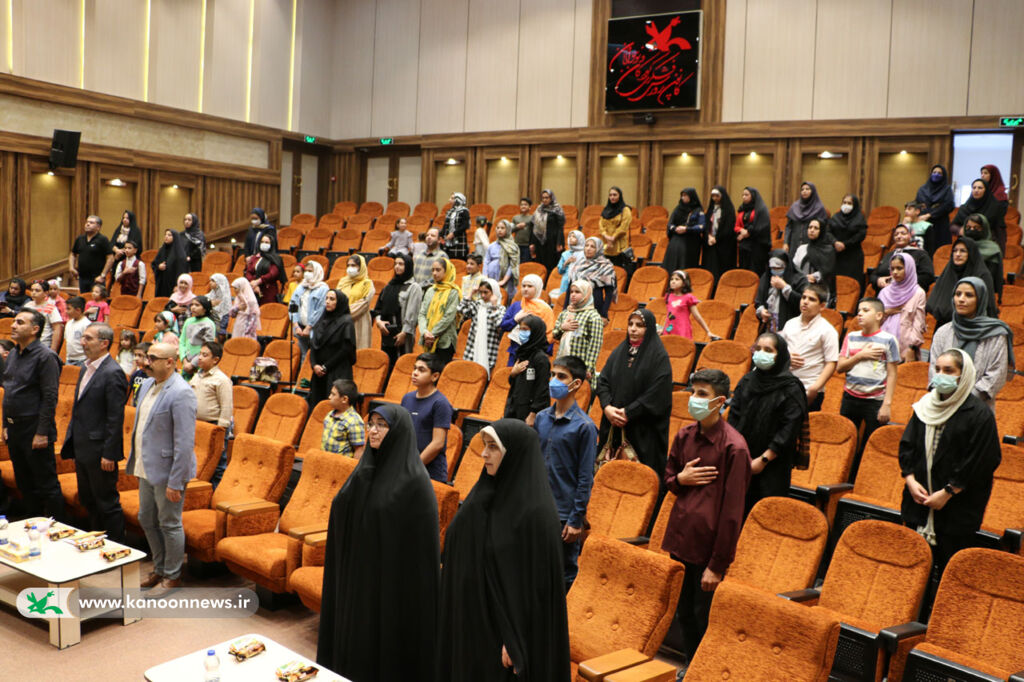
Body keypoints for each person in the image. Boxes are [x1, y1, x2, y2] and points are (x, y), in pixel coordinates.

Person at [437, 419, 570, 681]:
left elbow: (538, 589)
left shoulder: (537, 515)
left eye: (493, 447)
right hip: (468, 621)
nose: (484, 454)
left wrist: (516, 639)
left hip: (501, 638)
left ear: (515, 453)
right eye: (484, 446)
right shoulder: (482, 494)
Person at [317, 404, 440, 682]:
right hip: (359, 577)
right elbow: (341, 507)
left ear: (398, 432)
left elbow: (419, 553)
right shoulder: (364, 470)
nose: (373, 430)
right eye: (371, 423)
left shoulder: (415, 483)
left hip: (392, 588)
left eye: (382, 425)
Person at [663, 368, 751, 662]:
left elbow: (732, 512)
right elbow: (668, 479)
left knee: (704, 619)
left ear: (721, 401)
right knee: (684, 613)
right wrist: (681, 480)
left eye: (702, 394)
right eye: (693, 392)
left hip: (708, 549)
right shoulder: (684, 435)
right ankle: (691, 666)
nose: (694, 399)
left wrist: (717, 565)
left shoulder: (734, 448)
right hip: (681, 539)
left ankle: (704, 670)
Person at [899, 349, 1000, 580]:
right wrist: (910, 480)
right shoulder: (924, 406)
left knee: (949, 575)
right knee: (911, 572)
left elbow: (982, 461)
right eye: (937, 369)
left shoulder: (979, 414)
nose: (940, 375)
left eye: (948, 371)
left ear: (963, 375)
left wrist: (948, 492)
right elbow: (908, 445)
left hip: (957, 508)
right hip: (919, 501)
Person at [127, 342, 197, 589]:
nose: (147, 362)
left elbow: (185, 443)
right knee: (146, 518)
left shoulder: (182, 392)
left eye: (153, 358)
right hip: (146, 466)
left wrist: (176, 481)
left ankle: (173, 574)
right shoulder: (146, 384)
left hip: (169, 473)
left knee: (169, 522)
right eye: (147, 357)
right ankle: (159, 568)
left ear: (170, 361)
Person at [534, 355, 597, 590]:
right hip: (538, 506)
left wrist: (576, 518)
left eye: (561, 376)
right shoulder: (541, 418)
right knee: (535, 569)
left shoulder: (585, 426)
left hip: (564, 513)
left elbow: (585, 478)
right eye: (552, 375)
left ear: (576, 384)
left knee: (562, 574)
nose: (554, 381)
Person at [61, 322, 129, 542]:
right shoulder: (85, 367)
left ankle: (116, 548)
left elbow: (114, 417)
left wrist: (110, 454)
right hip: (83, 446)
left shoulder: (113, 373)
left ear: (104, 343)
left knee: (106, 502)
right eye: (83, 338)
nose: (83, 342)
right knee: (88, 499)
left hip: (100, 451)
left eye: (88, 338)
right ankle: (97, 541)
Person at [729, 332, 808, 511]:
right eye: (758, 349)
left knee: (764, 513)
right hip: (742, 458)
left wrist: (763, 459)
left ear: (779, 355)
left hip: (772, 464)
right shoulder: (747, 380)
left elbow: (789, 430)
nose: (761, 353)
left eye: (768, 350)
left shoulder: (791, 387)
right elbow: (734, 415)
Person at [2, 310, 65, 522]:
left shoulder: (45, 357)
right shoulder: (13, 354)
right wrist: (4, 424)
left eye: (20, 322)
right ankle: (33, 522)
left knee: (46, 484)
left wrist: (42, 432)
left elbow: (49, 398)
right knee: (24, 481)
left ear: (35, 329)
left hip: (34, 428)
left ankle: (59, 528)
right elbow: (9, 392)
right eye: (14, 322)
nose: (13, 325)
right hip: (15, 428)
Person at [596, 308, 673, 478]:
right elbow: (603, 381)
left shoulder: (659, 357)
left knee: (638, 480)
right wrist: (607, 407)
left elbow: (657, 393)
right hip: (612, 423)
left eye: (639, 325)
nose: (633, 328)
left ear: (650, 329)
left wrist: (628, 412)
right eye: (630, 324)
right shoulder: (619, 351)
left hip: (642, 430)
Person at [929, 277, 1014, 411]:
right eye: (958, 294)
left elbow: (995, 375)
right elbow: (935, 368)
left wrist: (963, 401)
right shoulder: (943, 332)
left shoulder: (996, 334)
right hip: (943, 406)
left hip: (976, 409)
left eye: (969, 295)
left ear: (980, 300)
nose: (961, 299)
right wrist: (946, 398)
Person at [838, 299, 900, 470]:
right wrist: (860, 355)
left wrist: (887, 404)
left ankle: (862, 477)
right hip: (850, 397)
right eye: (859, 310)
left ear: (879, 315)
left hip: (875, 400)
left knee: (870, 446)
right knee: (845, 443)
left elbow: (893, 372)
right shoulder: (851, 337)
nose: (860, 314)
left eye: (866, 310)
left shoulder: (888, 340)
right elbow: (840, 367)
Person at [780, 284, 838, 411]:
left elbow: (831, 363)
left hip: (808, 388)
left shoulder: (828, 330)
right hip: (784, 385)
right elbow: (780, 351)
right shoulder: (790, 324)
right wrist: (787, 357)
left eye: (811, 299)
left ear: (822, 306)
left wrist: (814, 388)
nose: (805, 302)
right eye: (803, 297)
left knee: (803, 429)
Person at [400, 353, 452, 482]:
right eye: (414, 368)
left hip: (430, 473)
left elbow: (438, 443)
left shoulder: (441, 403)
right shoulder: (407, 398)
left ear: (435, 376)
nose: (415, 373)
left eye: (421, 370)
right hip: (406, 466)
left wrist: (413, 466)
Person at [926, 236, 998, 328]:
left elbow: (988, 307)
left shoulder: (982, 275)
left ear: (971, 253)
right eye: (955, 251)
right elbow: (935, 304)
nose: (957, 254)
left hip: (973, 327)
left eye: (963, 251)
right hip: (944, 327)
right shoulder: (948, 272)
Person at [190, 341, 233, 487]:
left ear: (215, 360)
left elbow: (226, 407)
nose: (200, 358)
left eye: (205, 355)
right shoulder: (197, 376)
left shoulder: (222, 380)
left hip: (214, 426)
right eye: (200, 354)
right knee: (199, 460)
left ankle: (216, 492)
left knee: (218, 463)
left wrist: (221, 431)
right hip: (197, 425)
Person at [308, 290, 357, 407]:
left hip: (337, 372)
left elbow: (345, 350)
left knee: (333, 407)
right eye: (326, 298)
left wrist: (325, 367)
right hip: (318, 373)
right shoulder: (322, 318)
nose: (327, 302)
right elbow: (314, 345)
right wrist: (314, 365)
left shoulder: (346, 321)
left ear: (339, 302)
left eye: (332, 299)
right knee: (316, 406)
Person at [371, 253, 420, 370]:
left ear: (408, 266)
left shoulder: (414, 287)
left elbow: (412, 313)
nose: (397, 267)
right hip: (387, 332)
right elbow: (378, 308)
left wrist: (404, 333)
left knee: (402, 365)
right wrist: (379, 322)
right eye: (396, 264)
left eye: (401, 264)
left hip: (403, 333)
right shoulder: (389, 285)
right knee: (387, 364)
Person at [553, 280, 605, 385]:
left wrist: (588, 368)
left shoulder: (593, 317)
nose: (573, 295)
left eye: (577, 292)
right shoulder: (565, 313)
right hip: (562, 364)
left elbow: (595, 345)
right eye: (571, 292)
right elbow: (555, 334)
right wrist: (563, 327)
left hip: (580, 368)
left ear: (586, 294)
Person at [879, 253, 927, 362]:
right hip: (882, 345)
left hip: (905, 347)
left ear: (909, 268)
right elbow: (875, 320)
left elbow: (918, 324)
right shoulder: (884, 292)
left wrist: (911, 348)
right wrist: (888, 312)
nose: (895, 272)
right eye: (892, 269)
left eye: (899, 268)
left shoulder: (918, 293)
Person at [499, 273, 554, 367]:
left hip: (534, 354)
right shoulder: (516, 305)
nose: (525, 289)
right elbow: (503, 326)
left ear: (537, 288)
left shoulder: (545, 309)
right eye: (523, 286)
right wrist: (515, 319)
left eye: (530, 286)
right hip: (515, 351)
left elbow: (549, 334)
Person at [504, 315, 551, 425]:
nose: (521, 333)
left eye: (525, 330)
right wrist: (513, 374)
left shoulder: (541, 358)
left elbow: (542, 389)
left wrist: (533, 413)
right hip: (514, 406)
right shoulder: (522, 353)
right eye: (520, 329)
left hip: (529, 412)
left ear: (535, 332)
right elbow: (515, 383)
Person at [458, 278, 505, 376]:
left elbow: (499, 324)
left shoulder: (500, 308)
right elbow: (461, 309)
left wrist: (494, 306)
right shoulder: (478, 305)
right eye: (481, 292)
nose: (483, 295)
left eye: (486, 292)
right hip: (473, 348)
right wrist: (471, 294)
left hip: (489, 350)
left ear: (494, 292)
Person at [418, 259, 461, 365]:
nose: (434, 273)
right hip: (428, 340)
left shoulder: (453, 292)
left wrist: (432, 334)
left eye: (438, 270)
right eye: (432, 270)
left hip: (445, 341)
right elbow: (422, 314)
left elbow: (448, 317)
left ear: (446, 272)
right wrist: (425, 332)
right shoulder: (430, 290)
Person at [753, 250, 808, 332]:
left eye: (778, 268)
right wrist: (761, 311)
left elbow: (802, 302)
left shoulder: (799, 279)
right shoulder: (766, 277)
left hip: (790, 326)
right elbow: (758, 301)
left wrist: (784, 287)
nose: (775, 271)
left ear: (786, 266)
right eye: (772, 268)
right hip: (769, 325)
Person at [871, 224, 935, 292]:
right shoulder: (889, 254)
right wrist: (878, 280)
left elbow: (928, 276)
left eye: (903, 234)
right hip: (885, 292)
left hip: (909, 293)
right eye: (896, 234)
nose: (899, 236)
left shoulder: (920, 254)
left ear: (911, 235)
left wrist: (902, 283)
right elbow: (874, 275)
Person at [288, 261, 328, 366]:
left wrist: (309, 327)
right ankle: (302, 379)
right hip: (300, 328)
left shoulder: (323, 289)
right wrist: (296, 325)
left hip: (315, 329)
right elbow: (292, 305)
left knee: (315, 357)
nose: (307, 273)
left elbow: (320, 309)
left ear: (317, 272)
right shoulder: (300, 287)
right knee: (303, 355)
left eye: (310, 271)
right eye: (306, 271)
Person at [952, 178, 1007, 252]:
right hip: (966, 244)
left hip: (987, 245)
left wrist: (1000, 251)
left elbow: (1000, 231)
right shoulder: (964, 207)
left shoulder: (995, 207)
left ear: (986, 190)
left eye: (980, 188)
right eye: (974, 188)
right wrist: (959, 229)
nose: (976, 190)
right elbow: (953, 226)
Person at [826, 194, 867, 286]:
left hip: (853, 256)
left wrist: (845, 244)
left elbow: (861, 235)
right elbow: (828, 232)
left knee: (851, 284)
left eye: (849, 203)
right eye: (844, 202)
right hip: (837, 256)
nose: (846, 205)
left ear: (855, 205)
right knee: (835, 285)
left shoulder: (859, 218)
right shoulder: (836, 217)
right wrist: (835, 242)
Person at [792, 218, 836, 300]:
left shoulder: (828, 250)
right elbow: (794, 268)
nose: (812, 230)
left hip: (820, 290)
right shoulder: (802, 248)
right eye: (810, 227)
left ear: (822, 231)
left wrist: (815, 277)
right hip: (800, 288)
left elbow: (828, 271)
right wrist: (802, 277)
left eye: (816, 228)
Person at [663, 269, 714, 340]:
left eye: (677, 279)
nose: (673, 281)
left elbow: (697, 316)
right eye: (672, 279)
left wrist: (708, 331)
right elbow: (669, 315)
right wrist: (663, 329)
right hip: (669, 329)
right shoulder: (668, 296)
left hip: (682, 330)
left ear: (684, 283)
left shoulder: (688, 297)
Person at [337, 254, 375, 349]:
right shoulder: (342, 282)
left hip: (359, 320)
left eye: (353, 265)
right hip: (341, 322)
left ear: (361, 267)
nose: (350, 268)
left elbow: (363, 304)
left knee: (358, 350)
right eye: (348, 265)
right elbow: (336, 299)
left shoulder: (367, 283)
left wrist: (344, 314)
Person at [320, 379, 365, 459]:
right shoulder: (330, 414)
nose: (329, 397)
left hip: (340, 465)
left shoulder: (354, 421)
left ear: (344, 399)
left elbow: (359, 450)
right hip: (325, 461)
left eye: (333, 394)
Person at [962, 213, 1004, 300]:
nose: (972, 230)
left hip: (983, 292)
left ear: (984, 229)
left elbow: (990, 276)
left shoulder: (992, 249)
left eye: (976, 228)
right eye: (968, 227)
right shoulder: (960, 246)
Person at [664, 187, 705, 272]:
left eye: (685, 195)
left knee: (686, 266)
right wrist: (675, 229)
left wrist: (687, 229)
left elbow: (702, 226)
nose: (683, 198)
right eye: (682, 195)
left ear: (691, 196)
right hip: (676, 239)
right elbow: (670, 224)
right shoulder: (678, 209)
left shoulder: (698, 210)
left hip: (691, 242)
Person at [69, 215, 113, 292]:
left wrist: (102, 275)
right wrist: (71, 267)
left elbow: (110, 258)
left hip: (96, 278)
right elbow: (73, 254)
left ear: (98, 227)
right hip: (82, 278)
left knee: (96, 301)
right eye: (87, 222)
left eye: (91, 222)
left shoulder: (103, 239)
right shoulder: (80, 239)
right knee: (84, 299)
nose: (88, 224)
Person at [916, 164, 955, 249]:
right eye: (934, 172)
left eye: (939, 173)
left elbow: (948, 205)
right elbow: (918, 204)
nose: (936, 174)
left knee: (939, 250)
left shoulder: (947, 189)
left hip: (941, 225)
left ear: (943, 176)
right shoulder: (922, 189)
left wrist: (930, 214)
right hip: (924, 224)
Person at [735, 186, 772, 275]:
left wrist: (748, 232)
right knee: (744, 272)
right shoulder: (742, 209)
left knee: (755, 272)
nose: (744, 197)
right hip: (744, 246)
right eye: (743, 195)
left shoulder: (761, 209)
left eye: (746, 195)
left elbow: (762, 226)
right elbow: (736, 226)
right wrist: (741, 232)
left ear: (753, 196)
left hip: (757, 246)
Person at [702, 185, 737, 279]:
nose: (715, 198)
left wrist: (716, 238)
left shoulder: (729, 210)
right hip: (710, 243)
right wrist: (708, 236)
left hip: (723, 244)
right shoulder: (710, 209)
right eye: (713, 196)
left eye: (717, 196)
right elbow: (705, 225)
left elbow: (729, 228)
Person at [178, 296, 217, 377]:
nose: (193, 307)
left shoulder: (209, 323)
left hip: (199, 364)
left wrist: (192, 364)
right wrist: (184, 361)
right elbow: (182, 342)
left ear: (205, 308)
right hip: (186, 363)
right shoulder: (189, 321)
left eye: (197, 305)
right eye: (192, 304)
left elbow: (207, 347)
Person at [784, 182, 828, 253]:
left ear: (813, 191)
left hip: (812, 245)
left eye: (807, 189)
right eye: (802, 189)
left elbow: (824, 230)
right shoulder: (794, 206)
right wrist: (785, 243)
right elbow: (788, 227)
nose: (804, 191)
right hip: (794, 244)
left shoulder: (819, 208)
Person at [598, 186, 632, 279]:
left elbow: (623, 227)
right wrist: (606, 236)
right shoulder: (606, 210)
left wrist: (613, 238)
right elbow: (601, 225)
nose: (612, 197)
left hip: (619, 246)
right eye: (610, 195)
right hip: (606, 246)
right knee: (605, 274)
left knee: (617, 274)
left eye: (615, 195)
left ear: (619, 196)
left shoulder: (625, 210)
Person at [21, 280, 64, 353]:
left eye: (37, 290)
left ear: (46, 293)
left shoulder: (51, 308)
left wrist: (53, 349)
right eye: (32, 290)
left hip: (43, 345)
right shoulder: (27, 306)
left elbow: (57, 329)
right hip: (27, 344)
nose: (33, 293)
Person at [531, 188, 566, 273]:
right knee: (540, 263)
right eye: (543, 198)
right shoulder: (539, 209)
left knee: (551, 264)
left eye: (547, 197)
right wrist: (532, 243)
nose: (544, 200)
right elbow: (534, 226)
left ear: (551, 198)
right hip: (540, 241)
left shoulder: (557, 210)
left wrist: (559, 243)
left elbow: (560, 227)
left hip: (552, 241)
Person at [245, 233, 286, 304]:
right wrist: (253, 284)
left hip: (268, 291)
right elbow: (249, 271)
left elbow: (273, 273)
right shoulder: (255, 257)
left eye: (267, 242)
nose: (264, 244)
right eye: (262, 242)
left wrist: (258, 281)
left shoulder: (276, 258)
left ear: (272, 244)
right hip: (254, 289)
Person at [484, 219, 520, 300]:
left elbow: (513, 265)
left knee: (504, 299)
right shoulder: (491, 246)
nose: (499, 230)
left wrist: (504, 280)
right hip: (491, 278)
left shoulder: (513, 246)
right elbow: (486, 261)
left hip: (506, 280)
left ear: (508, 230)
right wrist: (485, 277)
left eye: (502, 228)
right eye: (498, 228)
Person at [152, 229, 190, 298]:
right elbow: (154, 263)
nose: (166, 236)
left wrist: (178, 285)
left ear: (175, 237)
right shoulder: (162, 250)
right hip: (162, 284)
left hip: (173, 285)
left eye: (169, 235)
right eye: (165, 235)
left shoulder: (180, 253)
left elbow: (182, 271)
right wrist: (159, 266)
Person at [552, 229, 585, 300]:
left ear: (580, 239)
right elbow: (560, 271)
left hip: (579, 282)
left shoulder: (585, 254)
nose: (570, 238)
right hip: (566, 282)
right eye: (569, 236)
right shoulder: (565, 254)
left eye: (574, 237)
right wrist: (566, 263)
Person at [442, 192, 471, 260]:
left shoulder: (464, 211)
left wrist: (454, 234)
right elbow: (446, 225)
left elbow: (465, 226)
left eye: (452, 198)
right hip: (448, 240)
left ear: (458, 200)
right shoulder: (449, 211)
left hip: (459, 240)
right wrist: (442, 235)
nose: (449, 200)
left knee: (458, 261)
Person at [63, 297, 89, 367]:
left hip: (82, 360)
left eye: (68, 309)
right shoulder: (68, 323)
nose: (66, 311)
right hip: (69, 359)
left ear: (78, 310)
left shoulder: (86, 324)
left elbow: (88, 344)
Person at [207, 273, 233, 339]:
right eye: (210, 280)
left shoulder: (225, 297)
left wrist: (210, 304)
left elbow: (221, 311)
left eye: (213, 281)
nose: (210, 283)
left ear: (220, 283)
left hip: (221, 322)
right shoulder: (212, 294)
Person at [510, 196, 534, 264]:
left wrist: (532, 244)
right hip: (517, 245)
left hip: (527, 245)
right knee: (516, 264)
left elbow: (534, 232)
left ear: (530, 207)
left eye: (525, 204)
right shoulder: (515, 218)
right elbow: (510, 230)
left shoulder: (532, 218)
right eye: (521, 204)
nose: (523, 206)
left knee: (525, 264)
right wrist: (517, 226)